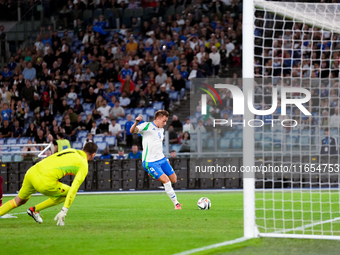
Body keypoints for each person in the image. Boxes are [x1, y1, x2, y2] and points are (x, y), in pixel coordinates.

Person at [0, 143, 98, 225]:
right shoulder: (84, 165)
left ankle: (33, 210)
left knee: (18, 201)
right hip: (44, 181)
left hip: (32, 172)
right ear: (93, 155)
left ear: (82, 149)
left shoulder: (71, 150)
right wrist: (64, 210)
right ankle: (34, 209)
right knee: (68, 193)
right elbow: (74, 188)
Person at [130, 110, 182, 209]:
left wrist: (165, 158)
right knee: (166, 181)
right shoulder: (146, 126)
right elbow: (132, 131)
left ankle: (153, 174)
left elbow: (158, 145)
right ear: (158, 118)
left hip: (162, 159)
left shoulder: (161, 130)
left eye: (166, 121)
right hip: (150, 162)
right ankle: (176, 204)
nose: (165, 123)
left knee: (174, 180)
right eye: (164, 121)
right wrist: (136, 122)